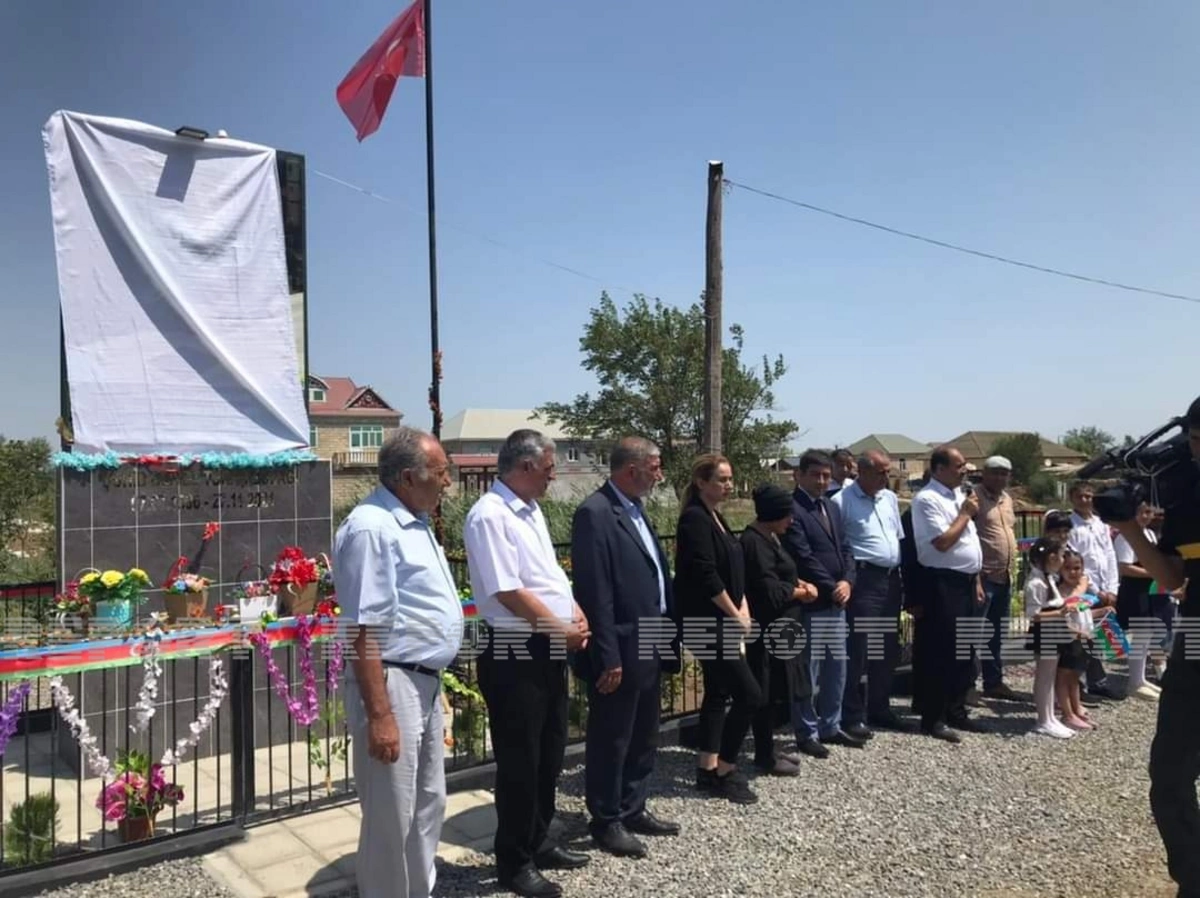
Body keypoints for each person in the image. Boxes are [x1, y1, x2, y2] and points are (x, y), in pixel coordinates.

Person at [333, 427, 465, 898]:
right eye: (441, 472)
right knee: (392, 814)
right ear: (408, 477)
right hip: (392, 684)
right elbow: (363, 630)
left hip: (420, 681)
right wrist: (380, 714)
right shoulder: (372, 529)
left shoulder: (413, 522)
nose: (447, 482)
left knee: (427, 803)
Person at [463, 429, 591, 898]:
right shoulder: (490, 516)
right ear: (526, 466)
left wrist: (573, 610)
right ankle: (514, 861)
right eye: (550, 468)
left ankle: (539, 839)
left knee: (550, 752)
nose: (553, 476)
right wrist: (559, 629)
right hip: (516, 650)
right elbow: (508, 591)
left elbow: (547, 576)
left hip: (547, 646)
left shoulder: (529, 510)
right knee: (521, 761)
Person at [570, 437, 680, 860]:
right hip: (621, 642)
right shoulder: (595, 513)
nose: (659, 474)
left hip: (650, 635)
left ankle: (634, 807)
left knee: (644, 731)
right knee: (612, 737)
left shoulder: (635, 509)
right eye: (655, 467)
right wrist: (607, 654)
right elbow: (595, 591)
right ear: (632, 469)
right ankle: (606, 818)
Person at [1109, 396, 1200, 898]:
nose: (1197, 451)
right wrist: (1129, 528)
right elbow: (1170, 578)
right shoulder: (1188, 496)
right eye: (1194, 441)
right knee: (1169, 772)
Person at [673, 453, 761, 804]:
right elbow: (705, 574)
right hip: (706, 623)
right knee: (750, 694)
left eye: (729, 479)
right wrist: (734, 612)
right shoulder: (695, 519)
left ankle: (706, 768)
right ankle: (725, 769)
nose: (728, 485)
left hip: (724, 618)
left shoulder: (715, 516)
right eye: (721, 479)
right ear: (701, 482)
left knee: (718, 692)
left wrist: (743, 606)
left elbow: (734, 571)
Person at [783, 449, 865, 753]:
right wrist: (833, 587)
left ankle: (831, 725)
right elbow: (803, 557)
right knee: (809, 671)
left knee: (836, 668)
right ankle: (807, 732)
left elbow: (846, 548)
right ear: (799, 475)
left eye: (826, 476)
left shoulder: (831, 506)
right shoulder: (793, 509)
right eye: (815, 475)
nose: (821, 481)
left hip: (837, 601)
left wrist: (848, 581)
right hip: (813, 603)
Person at [910, 446, 987, 742]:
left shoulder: (959, 494)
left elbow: (969, 543)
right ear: (939, 468)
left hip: (966, 582)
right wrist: (966, 514)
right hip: (942, 583)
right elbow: (942, 542)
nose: (964, 470)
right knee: (940, 652)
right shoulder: (927, 499)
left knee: (964, 651)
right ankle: (934, 717)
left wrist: (975, 578)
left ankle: (956, 709)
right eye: (958, 465)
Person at [739, 483, 818, 775]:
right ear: (773, 514)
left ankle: (769, 748)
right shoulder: (754, 543)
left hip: (782, 628)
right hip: (766, 630)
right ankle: (764, 756)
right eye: (787, 515)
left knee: (774, 693)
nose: (791, 520)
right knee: (764, 692)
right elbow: (769, 590)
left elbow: (784, 575)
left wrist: (800, 584)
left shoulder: (771, 537)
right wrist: (802, 593)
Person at [831, 450, 909, 733]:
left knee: (886, 648)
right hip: (863, 579)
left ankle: (879, 707)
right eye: (880, 472)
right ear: (861, 471)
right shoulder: (841, 501)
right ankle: (851, 714)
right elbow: (839, 545)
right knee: (858, 648)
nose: (886, 477)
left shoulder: (889, 498)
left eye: (888, 472)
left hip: (891, 578)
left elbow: (896, 537)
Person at [972, 456, 1020, 701]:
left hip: (1005, 576)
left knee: (996, 634)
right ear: (984, 473)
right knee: (973, 634)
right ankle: (967, 685)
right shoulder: (974, 498)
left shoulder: (1007, 499)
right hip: (984, 576)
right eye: (995, 473)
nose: (1000, 478)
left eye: (1004, 473)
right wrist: (975, 576)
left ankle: (994, 682)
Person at [1022, 538, 1074, 739]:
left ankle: (1050, 717)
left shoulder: (1049, 578)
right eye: (1061, 555)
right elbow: (1033, 614)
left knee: (1050, 676)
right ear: (1051, 557)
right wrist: (1059, 613)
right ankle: (1043, 720)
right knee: (1044, 676)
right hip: (1045, 631)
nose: (1063, 560)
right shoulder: (1035, 583)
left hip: (1054, 629)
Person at [1113, 501, 1165, 700]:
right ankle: (1134, 682)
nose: (1145, 516)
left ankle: (1140, 679)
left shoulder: (1149, 534)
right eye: (1141, 512)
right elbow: (1125, 567)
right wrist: (1152, 572)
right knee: (1139, 634)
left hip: (1148, 588)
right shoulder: (1126, 536)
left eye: (1148, 512)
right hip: (1134, 588)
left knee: (1147, 634)